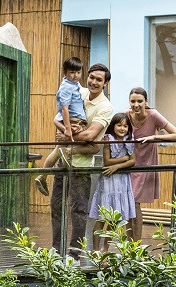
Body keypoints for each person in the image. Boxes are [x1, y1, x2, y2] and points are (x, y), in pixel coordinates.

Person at [50, 63, 113, 260]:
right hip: (63, 159)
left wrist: (66, 137)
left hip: (82, 165)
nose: (94, 82)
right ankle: (56, 249)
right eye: (91, 77)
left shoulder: (105, 107)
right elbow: (60, 114)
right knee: (56, 205)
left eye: (99, 80)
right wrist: (66, 129)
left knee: (79, 209)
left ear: (105, 83)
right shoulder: (79, 91)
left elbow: (91, 135)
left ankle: (75, 253)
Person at [125, 86, 176, 240]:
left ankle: (135, 245)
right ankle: (129, 244)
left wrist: (154, 137)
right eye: (133, 101)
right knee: (128, 203)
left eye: (139, 101)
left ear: (146, 101)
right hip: (128, 162)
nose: (136, 105)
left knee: (134, 202)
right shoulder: (125, 115)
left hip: (145, 162)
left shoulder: (153, 115)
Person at [34, 56, 87, 197]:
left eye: (78, 72)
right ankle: (43, 175)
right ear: (65, 73)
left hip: (72, 120)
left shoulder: (74, 85)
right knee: (63, 149)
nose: (75, 76)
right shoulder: (66, 87)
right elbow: (64, 109)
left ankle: (43, 176)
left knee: (58, 150)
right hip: (72, 120)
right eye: (72, 72)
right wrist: (67, 128)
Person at [88, 112, 136, 253]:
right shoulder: (108, 139)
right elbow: (107, 161)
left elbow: (133, 161)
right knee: (102, 217)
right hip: (109, 181)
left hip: (122, 181)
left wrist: (117, 166)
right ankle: (95, 249)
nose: (122, 128)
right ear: (113, 126)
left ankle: (105, 248)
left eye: (125, 126)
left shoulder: (129, 140)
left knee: (115, 218)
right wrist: (124, 159)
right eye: (119, 125)